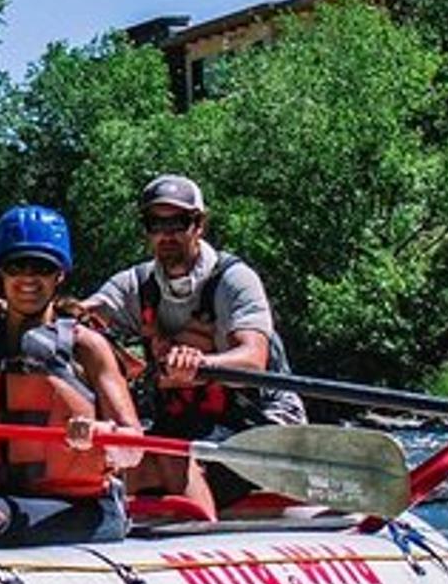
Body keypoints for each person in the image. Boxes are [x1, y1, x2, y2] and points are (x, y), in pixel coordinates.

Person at [81, 175, 304, 508]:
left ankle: (199, 522)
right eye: (156, 222)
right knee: (123, 464)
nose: (166, 234)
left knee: (171, 459)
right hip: (187, 425)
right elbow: (77, 318)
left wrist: (200, 366)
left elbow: (252, 358)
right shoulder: (135, 284)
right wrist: (16, 311)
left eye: (179, 222)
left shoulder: (235, 280)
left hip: (260, 424)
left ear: (199, 225)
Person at [0, 205, 145, 546]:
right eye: (17, 266)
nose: (28, 278)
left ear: (60, 275)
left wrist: (101, 432)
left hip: (83, 508)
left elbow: (133, 449)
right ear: (0, 273)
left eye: (42, 267)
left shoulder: (86, 346)